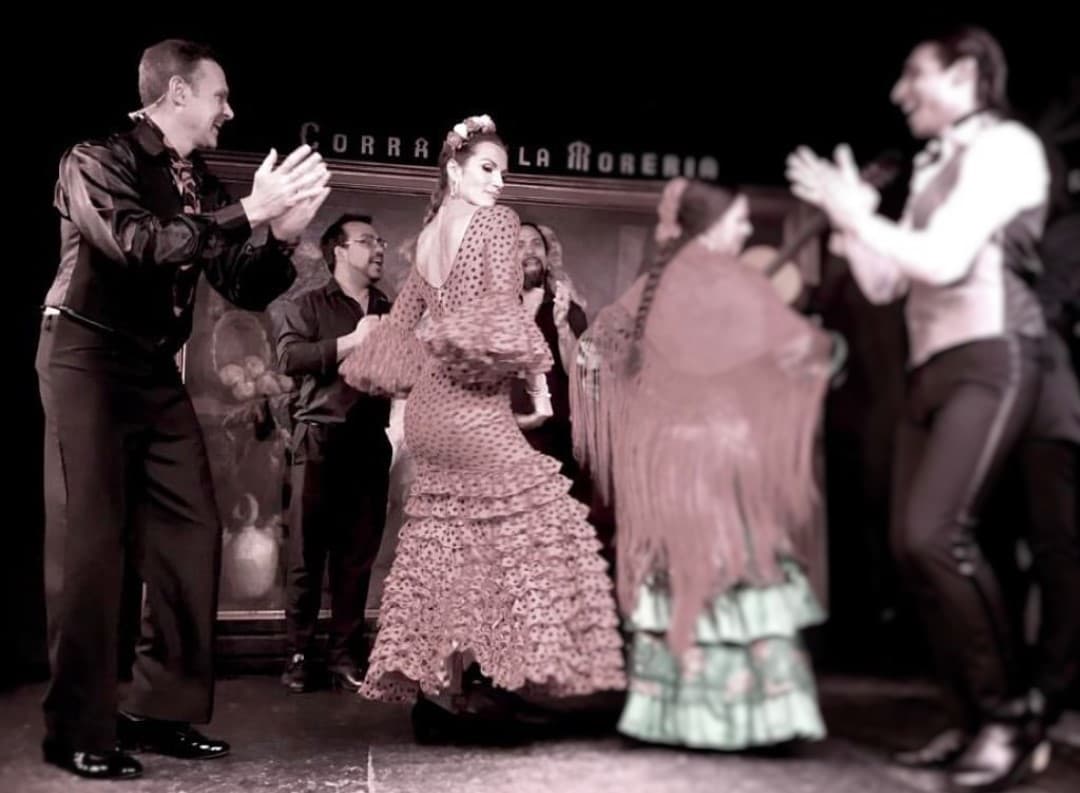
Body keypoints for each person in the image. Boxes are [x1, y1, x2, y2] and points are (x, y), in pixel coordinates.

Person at [35, 38, 329, 780]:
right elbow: (135, 242)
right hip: (87, 355)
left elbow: (242, 283)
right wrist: (247, 209)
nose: (229, 111)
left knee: (190, 530)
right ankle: (76, 727)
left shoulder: (196, 177)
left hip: (149, 365)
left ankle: (157, 710)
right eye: (219, 97)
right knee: (95, 545)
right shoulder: (94, 159)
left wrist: (280, 238)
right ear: (175, 95)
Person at [787, 25, 1055, 792]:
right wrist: (852, 216)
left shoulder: (1005, 148)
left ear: (966, 73)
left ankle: (1010, 721)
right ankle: (974, 719)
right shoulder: (936, 161)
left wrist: (858, 212)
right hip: (930, 368)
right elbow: (883, 283)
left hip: (991, 357)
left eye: (915, 75)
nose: (900, 93)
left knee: (937, 534)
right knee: (911, 546)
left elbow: (942, 260)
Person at [338, 114, 625, 740]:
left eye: (503, 172)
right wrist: (541, 391)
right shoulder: (494, 223)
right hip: (470, 409)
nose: (498, 183)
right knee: (533, 526)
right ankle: (493, 683)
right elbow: (501, 314)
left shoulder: (431, 233)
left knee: (450, 545)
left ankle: (443, 696)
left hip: (431, 413)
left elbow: (400, 325)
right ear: (455, 171)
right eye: (486, 169)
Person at [571, 177, 838, 750]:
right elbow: (799, 353)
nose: (745, 229)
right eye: (739, 220)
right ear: (712, 226)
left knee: (676, 576)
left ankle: (672, 717)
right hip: (722, 456)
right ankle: (740, 719)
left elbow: (594, 350)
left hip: (668, 458)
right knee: (735, 573)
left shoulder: (653, 283)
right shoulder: (732, 281)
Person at [273, 213, 394, 694]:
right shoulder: (305, 305)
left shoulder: (391, 308)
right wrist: (352, 341)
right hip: (320, 437)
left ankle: (346, 654)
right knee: (307, 553)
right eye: (368, 240)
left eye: (380, 239)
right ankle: (298, 655)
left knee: (357, 555)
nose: (379, 248)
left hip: (370, 439)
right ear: (339, 251)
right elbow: (288, 358)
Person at [511, 222, 590, 498]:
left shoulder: (568, 309)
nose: (529, 251)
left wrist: (563, 329)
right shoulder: (489, 310)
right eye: (519, 245)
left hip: (554, 447)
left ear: (547, 254)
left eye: (535, 244)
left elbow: (578, 372)